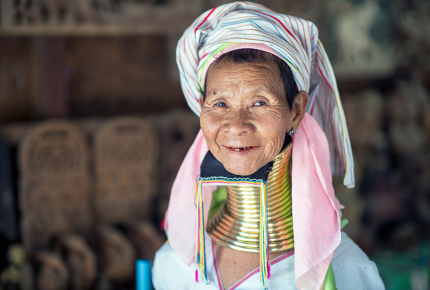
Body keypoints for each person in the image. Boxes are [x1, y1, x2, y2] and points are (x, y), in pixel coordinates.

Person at [152, 2, 385, 289]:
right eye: (220, 103)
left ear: (296, 111)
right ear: (202, 107)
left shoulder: (344, 269)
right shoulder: (176, 263)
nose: (237, 124)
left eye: (260, 102)